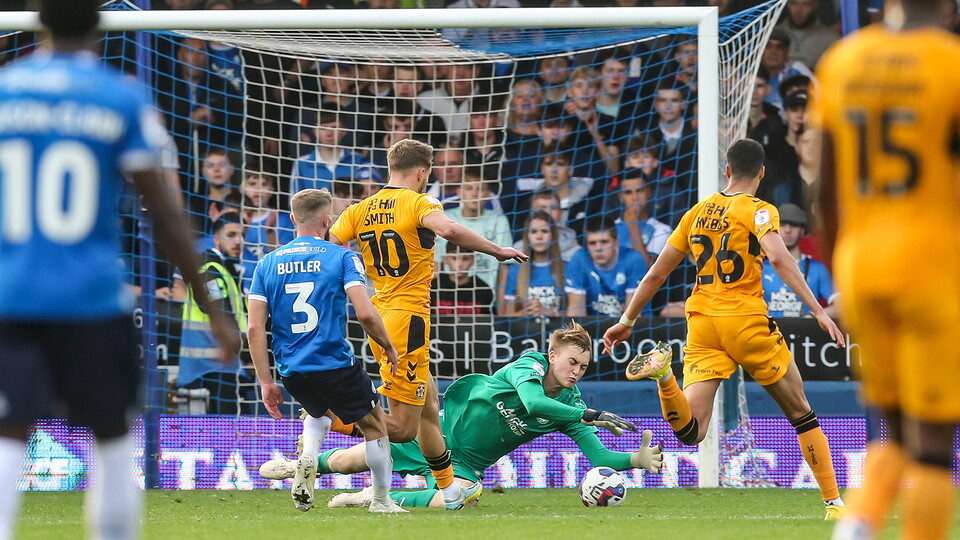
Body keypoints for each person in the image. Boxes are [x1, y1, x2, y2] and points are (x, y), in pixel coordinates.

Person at [0, 2, 239, 539]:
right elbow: (166, 214)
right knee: (111, 433)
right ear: (98, 25)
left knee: (9, 432)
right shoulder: (120, 95)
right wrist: (212, 306)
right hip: (90, 295)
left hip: (10, 293)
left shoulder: (5, 90)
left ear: (38, 21)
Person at [602, 139, 847, 520]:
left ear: (727, 171)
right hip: (745, 320)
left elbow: (656, 274)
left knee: (692, 431)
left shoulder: (696, 212)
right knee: (802, 413)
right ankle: (833, 503)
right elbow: (781, 258)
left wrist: (626, 321)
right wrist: (819, 311)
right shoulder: (760, 210)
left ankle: (664, 376)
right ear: (762, 173)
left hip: (701, 322)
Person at [813, 0, 960, 535]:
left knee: (892, 433)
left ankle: (859, 525)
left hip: (862, 264)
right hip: (931, 265)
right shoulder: (950, 63)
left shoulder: (844, 61)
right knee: (935, 445)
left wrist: (840, 274)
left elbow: (823, 187)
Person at [259, 323, 661, 509]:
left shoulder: (571, 407)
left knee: (462, 497)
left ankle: (369, 498)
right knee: (356, 458)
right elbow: (534, 403)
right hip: (439, 430)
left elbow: (600, 459)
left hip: (465, 462)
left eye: (583, 368)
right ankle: (301, 465)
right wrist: (589, 412)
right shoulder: (529, 366)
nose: (575, 371)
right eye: (571, 362)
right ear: (553, 356)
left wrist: (634, 461)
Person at [328, 138, 528, 510]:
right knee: (404, 427)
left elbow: (328, 245)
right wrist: (497, 250)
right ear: (422, 172)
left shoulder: (359, 210)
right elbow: (449, 230)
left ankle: (451, 492)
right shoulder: (421, 202)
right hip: (408, 319)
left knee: (429, 410)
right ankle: (330, 417)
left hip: (380, 313)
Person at [248, 188, 405, 514]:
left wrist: (266, 382)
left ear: (292, 219)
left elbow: (254, 328)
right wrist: (387, 345)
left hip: (291, 369)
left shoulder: (265, 264)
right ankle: (381, 501)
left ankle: (308, 457)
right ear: (327, 219)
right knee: (376, 425)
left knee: (319, 412)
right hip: (333, 361)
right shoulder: (343, 256)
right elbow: (364, 312)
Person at [175, 213, 249, 415]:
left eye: (242, 235)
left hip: (219, 359)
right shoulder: (210, 268)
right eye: (232, 234)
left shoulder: (220, 267)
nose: (238, 241)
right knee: (228, 421)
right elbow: (216, 308)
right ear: (216, 238)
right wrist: (244, 349)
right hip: (215, 358)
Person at [761, 204, 837, 318]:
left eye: (794, 225)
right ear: (774, 228)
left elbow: (841, 307)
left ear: (803, 230)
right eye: (782, 225)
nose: (788, 230)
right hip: (769, 332)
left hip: (805, 333)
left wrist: (814, 316)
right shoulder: (760, 268)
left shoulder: (817, 269)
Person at [565, 217, 650, 318]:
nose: (598, 248)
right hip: (591, 327)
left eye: (604, 242)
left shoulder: (633, 259)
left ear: (616, 242)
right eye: (592, 243)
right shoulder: (580, 259)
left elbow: (632, 316)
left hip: (631, 327)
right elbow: (576, 314)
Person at [501, 211, 566, 317]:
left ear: (553, 235)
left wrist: (550, 313)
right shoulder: (515, 271)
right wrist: (524, 313)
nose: (539, 237)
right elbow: (507, 317)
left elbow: (577, 314)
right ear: (527, 236)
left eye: (544, 231)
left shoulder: (567, 268)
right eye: (534, 231)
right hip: (524, 331)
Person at [431, 243, 495, 316]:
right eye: (454, 258)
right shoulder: (434, 286)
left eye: (465, 259)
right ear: (446, 259)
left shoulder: (483, 290)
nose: (460, 264)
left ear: (473, 260)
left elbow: (489, 321)